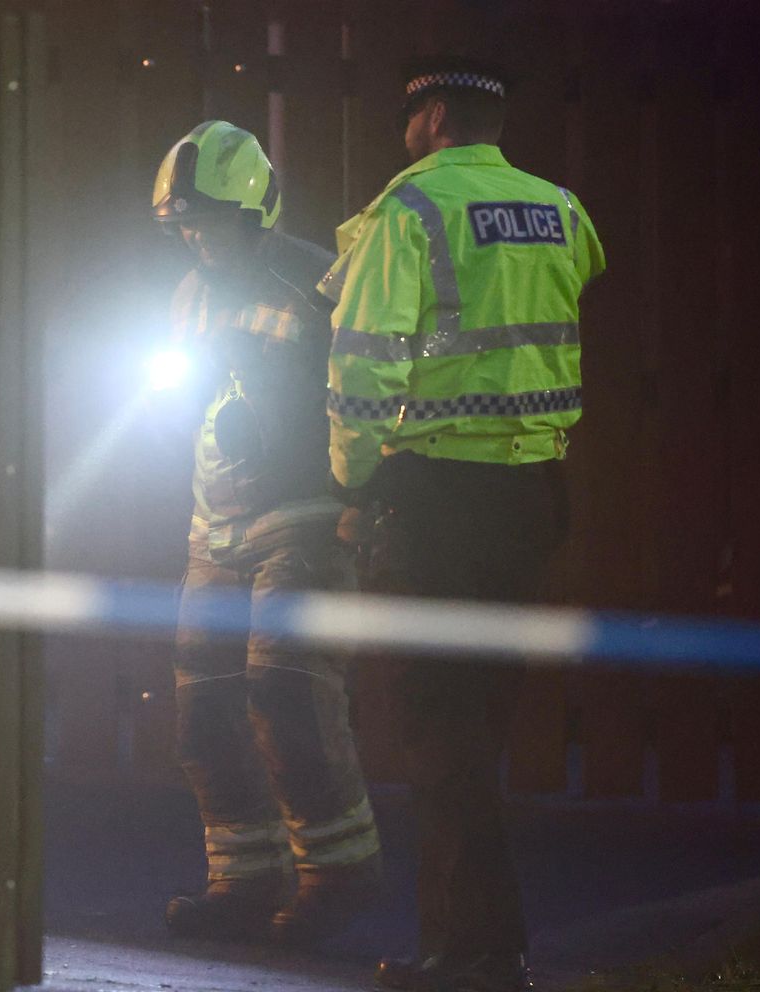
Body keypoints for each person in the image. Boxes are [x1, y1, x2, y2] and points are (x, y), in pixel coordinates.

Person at [318, 58, 606, 991]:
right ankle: (484, 947)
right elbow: (572, 292)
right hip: (530, 499)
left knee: (437, 734)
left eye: (409, 115)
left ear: (432, 115)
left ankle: (472, 955)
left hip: (433, 497)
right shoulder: (560, 209)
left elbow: (363, 372)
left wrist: (354, 490)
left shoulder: (409, 215)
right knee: (477, 726)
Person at [149, 121, 381, 946]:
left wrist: (364, 492)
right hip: (214, 522)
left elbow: (382, 376)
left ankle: (337, 873)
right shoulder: (189, 296)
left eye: (207, 222)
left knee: (285, 692)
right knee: (201, 712)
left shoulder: (320, 280)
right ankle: (242, 880)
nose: (195, 239)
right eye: (183, 226)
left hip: (306, 514)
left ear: (255, 213)